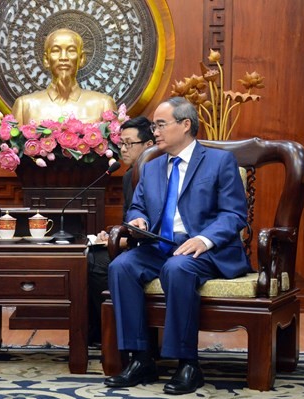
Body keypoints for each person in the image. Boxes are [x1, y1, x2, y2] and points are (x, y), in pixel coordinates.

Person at [104, 97, 251, 395]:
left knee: (178, 267)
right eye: (154, 125)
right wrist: (139, 221)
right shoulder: (153, 167)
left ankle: (188, 363)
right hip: (160, 245)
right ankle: (140, 358)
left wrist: (204, 239)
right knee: (121, 266)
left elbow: (234, 214)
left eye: (160, 124)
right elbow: (138, 207)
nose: (154, 131)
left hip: (204, 250)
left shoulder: (219, 162)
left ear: (185, 125)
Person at [87, 116, 154, 346]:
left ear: (149, 145)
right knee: (89, 257)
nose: (123, 150)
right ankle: (100, 331)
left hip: (154, 247)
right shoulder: (129, 176)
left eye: (129, 144)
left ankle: (110, 332)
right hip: (134, 242)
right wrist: (111, 236)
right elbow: (130, 220)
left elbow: (152, 227)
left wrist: (120, 242)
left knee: (96, 262)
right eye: (120, 144)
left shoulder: (159, 175)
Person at [12, 28, 116, 124]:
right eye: (56, 51)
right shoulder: (24, 106)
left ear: (81, 58)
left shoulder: (103, 104)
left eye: (71, 50)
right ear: (46, 60)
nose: (63, 57)